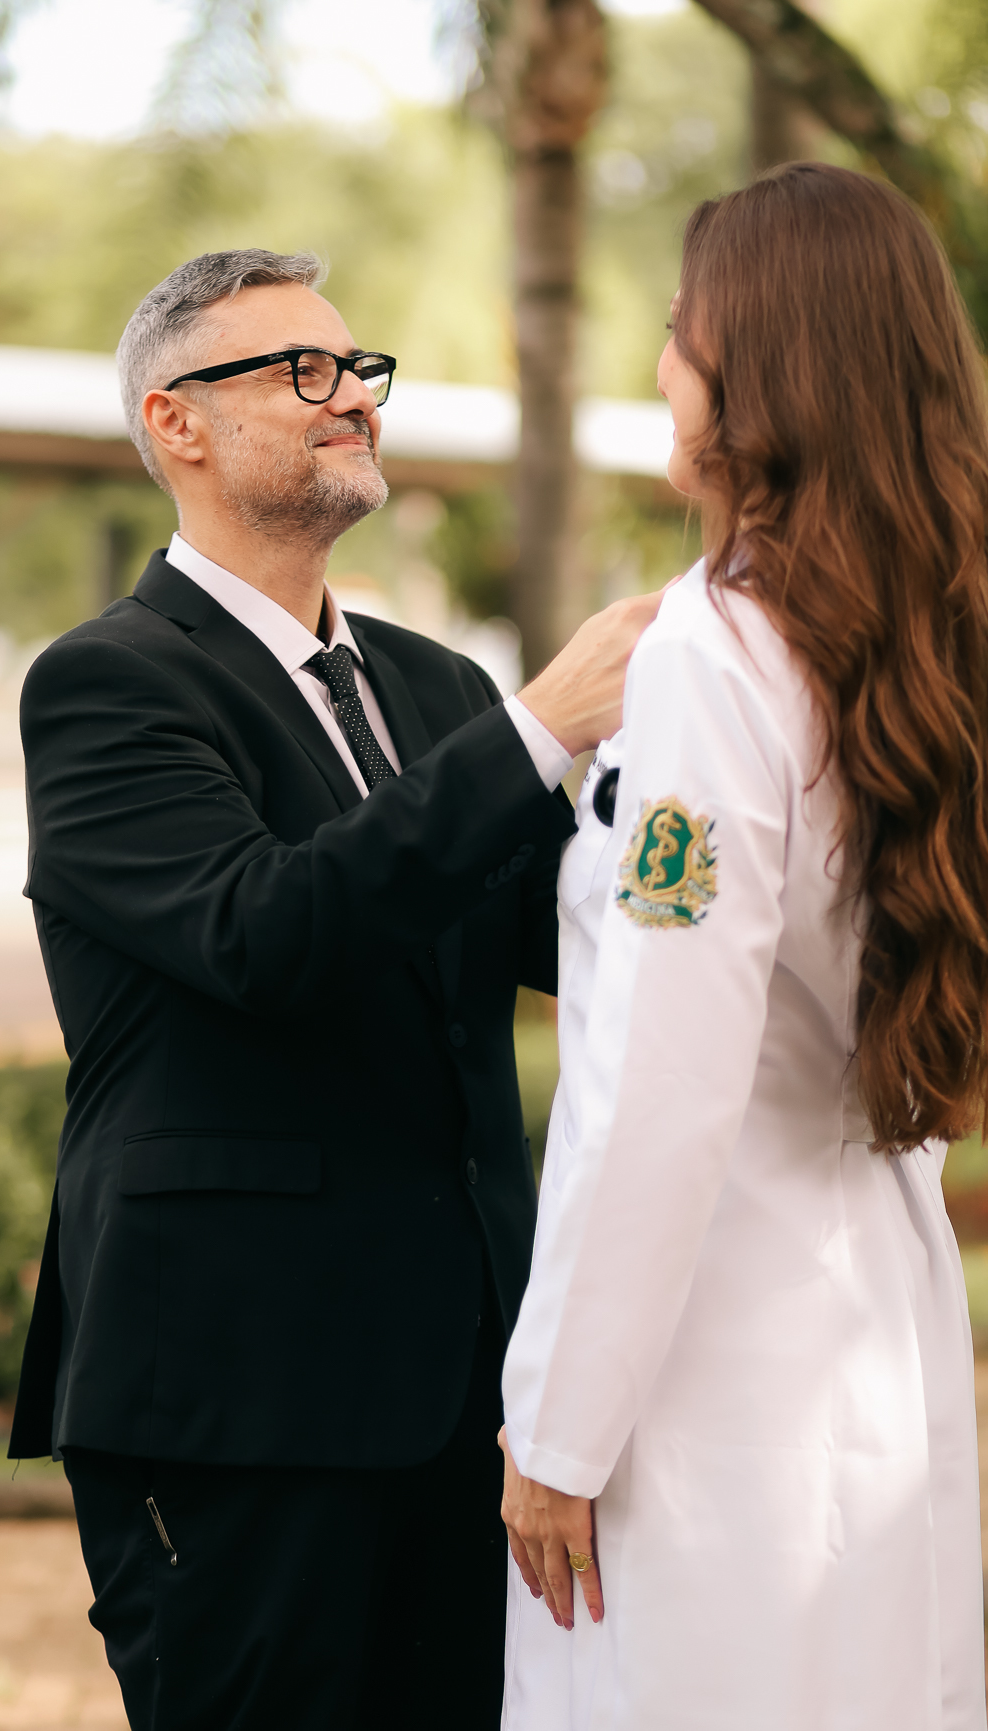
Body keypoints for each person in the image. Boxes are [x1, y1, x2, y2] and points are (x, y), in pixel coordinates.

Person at [6, 247, 663, 1731]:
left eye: (359, 368)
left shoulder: (436, 689)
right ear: (177, 421)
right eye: (302, 371)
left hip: (470, 1400)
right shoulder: (107, 684)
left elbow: (586, 943)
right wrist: (537, 731)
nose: (352, 396)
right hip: (239, 1399)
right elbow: (266, 934)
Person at [499, 163, 988, 1730]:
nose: (659, 365)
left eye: (677, 329)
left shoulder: (711, 655)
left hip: (708, 1368)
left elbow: (659, 1074)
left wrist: (559, 1429)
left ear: (757, 371)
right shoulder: (929, 642)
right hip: (878, 1326)